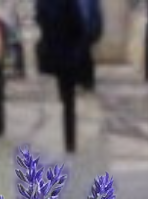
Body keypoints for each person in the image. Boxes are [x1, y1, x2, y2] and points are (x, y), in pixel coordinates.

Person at [34, 0, 99, 153]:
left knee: (67, 98)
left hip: (56, 51)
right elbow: (84, 23)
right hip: (72, 51)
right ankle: (71, 142)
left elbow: (40, 18)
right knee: (71, 101)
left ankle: (70, 140)